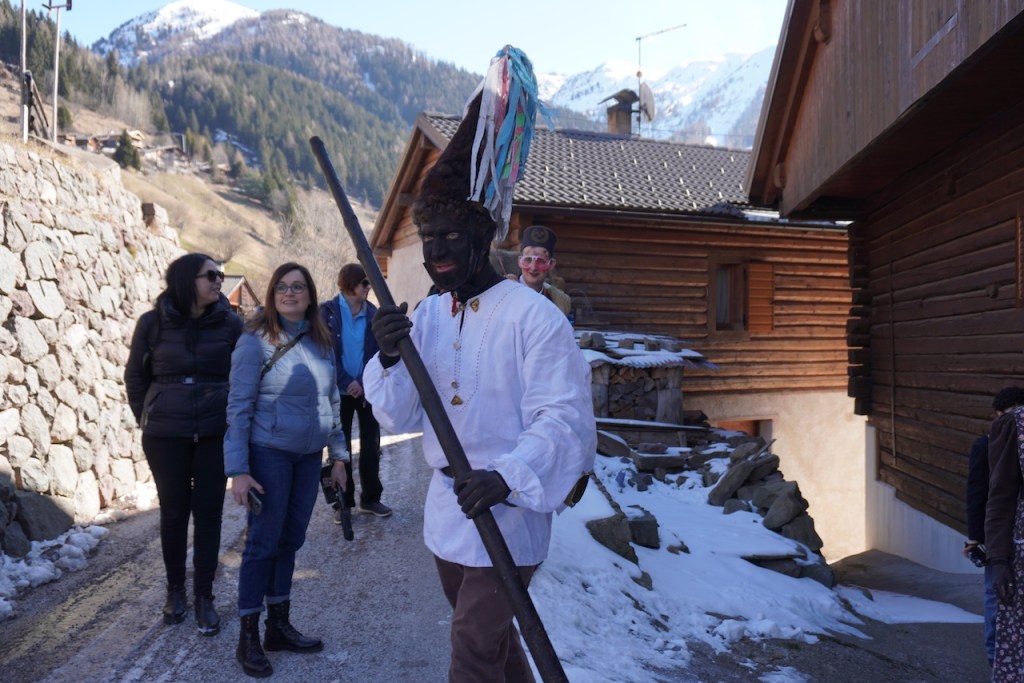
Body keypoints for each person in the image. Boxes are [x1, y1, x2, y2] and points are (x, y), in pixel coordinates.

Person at [364, 46, 596, 682]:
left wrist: (507, 477)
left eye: (451, 237)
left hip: (509, 513)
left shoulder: (534, 318)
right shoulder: (430, 316)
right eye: (428, 239)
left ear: (484, 237)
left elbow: (564, 422)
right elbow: (397, 415)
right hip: (450, 513)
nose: (437, 251)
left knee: (471, 644)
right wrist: (390, 355)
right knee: (493, 645)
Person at [224, 262, 349, 678]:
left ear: (311, 295)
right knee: (263, 542)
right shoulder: (254, 342)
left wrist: (339, 457)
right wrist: (239, 470)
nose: (289, 293)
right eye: (281, 287)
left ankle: (278, 627)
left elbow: (332, 403)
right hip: (269, 454)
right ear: (272, 295)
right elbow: (238, 408)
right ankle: (248, 636)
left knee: (291, 539)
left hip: (308, 457)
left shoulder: (322, 341)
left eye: (297, 287)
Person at [124, 253, 242, 636]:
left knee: (209, 513)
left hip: (214, 433)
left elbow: (244, 375)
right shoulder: (152, 323)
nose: (219, 281)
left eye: (220, 275)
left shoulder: (231, 323)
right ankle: (175, 591)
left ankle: (204, 595)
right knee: (174, 512)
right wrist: (149, 415)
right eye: (211, 275)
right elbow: (135, 377)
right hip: (165, 436)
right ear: (187, 279)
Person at [319, 263, 392, 520]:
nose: (369, 287)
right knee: (340, 450)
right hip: (337, 392)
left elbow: (378, 353)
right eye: (365, 283)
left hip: (366, 390)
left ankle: (371, 499)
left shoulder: (373, 313)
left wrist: (361, 381)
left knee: (371, 445)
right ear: (350, 284)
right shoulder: (326, 312)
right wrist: (345, 381)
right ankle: (343, 503)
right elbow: (323, 352)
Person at [965, 387, 1024, 667]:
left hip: (1007, 528)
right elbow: (979, 493)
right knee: (995, 593)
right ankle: (994, 652)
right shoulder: (986, 445)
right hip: (997, 532)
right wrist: (975, 538)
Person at [509, 224, 572, 317]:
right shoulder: (505, 292)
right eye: (528, 260)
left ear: (551, 265)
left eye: (541, 261)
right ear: (519, 261)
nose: (533, 267)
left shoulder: (560, 302)